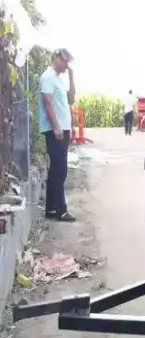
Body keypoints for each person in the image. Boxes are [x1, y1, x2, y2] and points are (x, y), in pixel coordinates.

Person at [39, 49, 76, 222]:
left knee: (56, 170)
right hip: (56, 131)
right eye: (65, 61)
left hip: (62, 129)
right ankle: (61, 210)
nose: (67, 65)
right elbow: (47, 102)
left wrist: (72, 78)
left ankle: (52, 209)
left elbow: (70, 101)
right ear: (56, 58)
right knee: (60, 170)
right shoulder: (47, 77)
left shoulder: (57, 79)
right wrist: (56, 127)